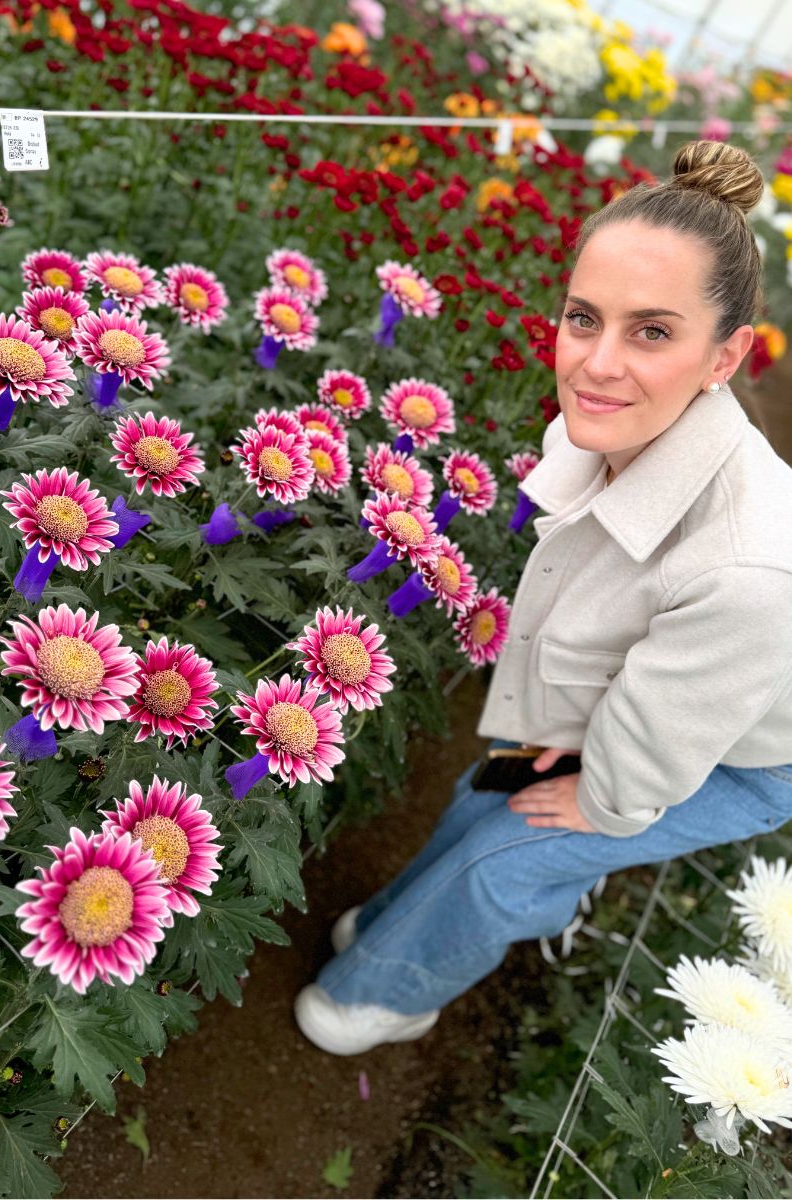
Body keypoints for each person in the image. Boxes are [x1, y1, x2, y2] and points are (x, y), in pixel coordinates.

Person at [293, 139, 792, 1056]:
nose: (596, 364)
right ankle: (397, 920)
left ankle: (384, 992)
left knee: (511, 859)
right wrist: (552, 736)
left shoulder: (750, 570)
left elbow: (667, 735)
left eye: (652, 331)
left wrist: (605, 797)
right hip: (652, 685)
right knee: (491, 785)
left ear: (726, 357)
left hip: (737, 754)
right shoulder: (619, 424)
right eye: (582, 317)